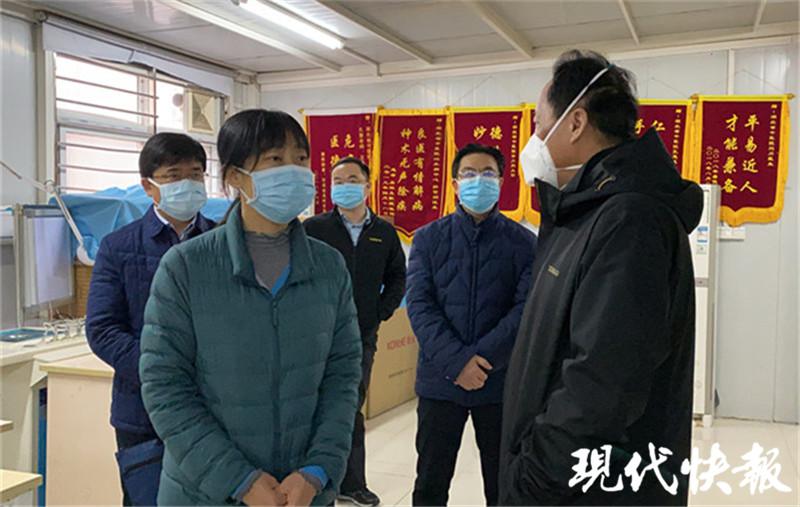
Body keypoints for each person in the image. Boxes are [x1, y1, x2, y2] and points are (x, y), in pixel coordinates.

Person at [501, 50, 702, 506]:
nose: (534, 139)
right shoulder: (584, 211)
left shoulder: (629, 220)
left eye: (539, 124)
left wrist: (532, 479)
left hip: (585, 490)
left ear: (575, 123)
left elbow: (601, 384)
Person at [139, 109, 362, 506]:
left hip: (301, 492)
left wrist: (317, 470)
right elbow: (165, 387)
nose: (294, 171)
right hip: (204, 493)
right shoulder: (187, 266)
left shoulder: (328, 266)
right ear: (234, 177)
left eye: (301, 159)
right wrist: (238, 480)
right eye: (276, 159)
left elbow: (342, 377)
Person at [85, 132, 215, 506]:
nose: (187, 184)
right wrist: (161, 372)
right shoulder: (119, 246)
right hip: (142, 411)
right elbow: (103, 329)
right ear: (148, 186)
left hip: (212, 405)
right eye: (174, 175)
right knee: (146, 498)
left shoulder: (222, 241)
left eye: (195, 174)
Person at [406, 144, 537, 506]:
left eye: (488, 173)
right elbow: (419, 305)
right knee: (430, 482)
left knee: (503, 483)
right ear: (454, 184)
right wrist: (456, 362)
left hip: (499, 382)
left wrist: (482, 360)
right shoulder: (428, 238)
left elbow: (525, 309)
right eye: (469, 173)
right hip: (440, 380)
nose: (478, 180)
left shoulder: (524, 243)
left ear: (502, 182)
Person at [304, 157, 406, 507]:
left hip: (360, 335)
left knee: (349, 407)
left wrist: (380, 312)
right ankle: (313, 482)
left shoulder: (383, 232)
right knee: (311, 407)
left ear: (367, 186)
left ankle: (352, 483)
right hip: (315, 336)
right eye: (337, 180)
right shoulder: (314, 229)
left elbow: (398, 276)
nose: (344, 185)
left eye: (352, 179)